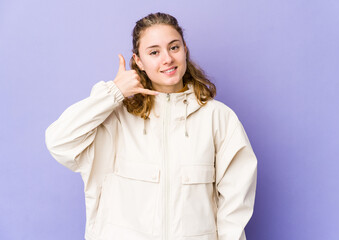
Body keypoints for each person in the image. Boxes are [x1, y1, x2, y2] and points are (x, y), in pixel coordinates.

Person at [45, 12, 257, 240]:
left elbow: (235, 205)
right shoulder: (115, 116)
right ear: (138, 61)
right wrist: (114, 93)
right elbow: (59, 143)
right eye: (154, 52)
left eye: (174, 47)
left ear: (185, 49)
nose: (167, 59)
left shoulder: (218, 118)